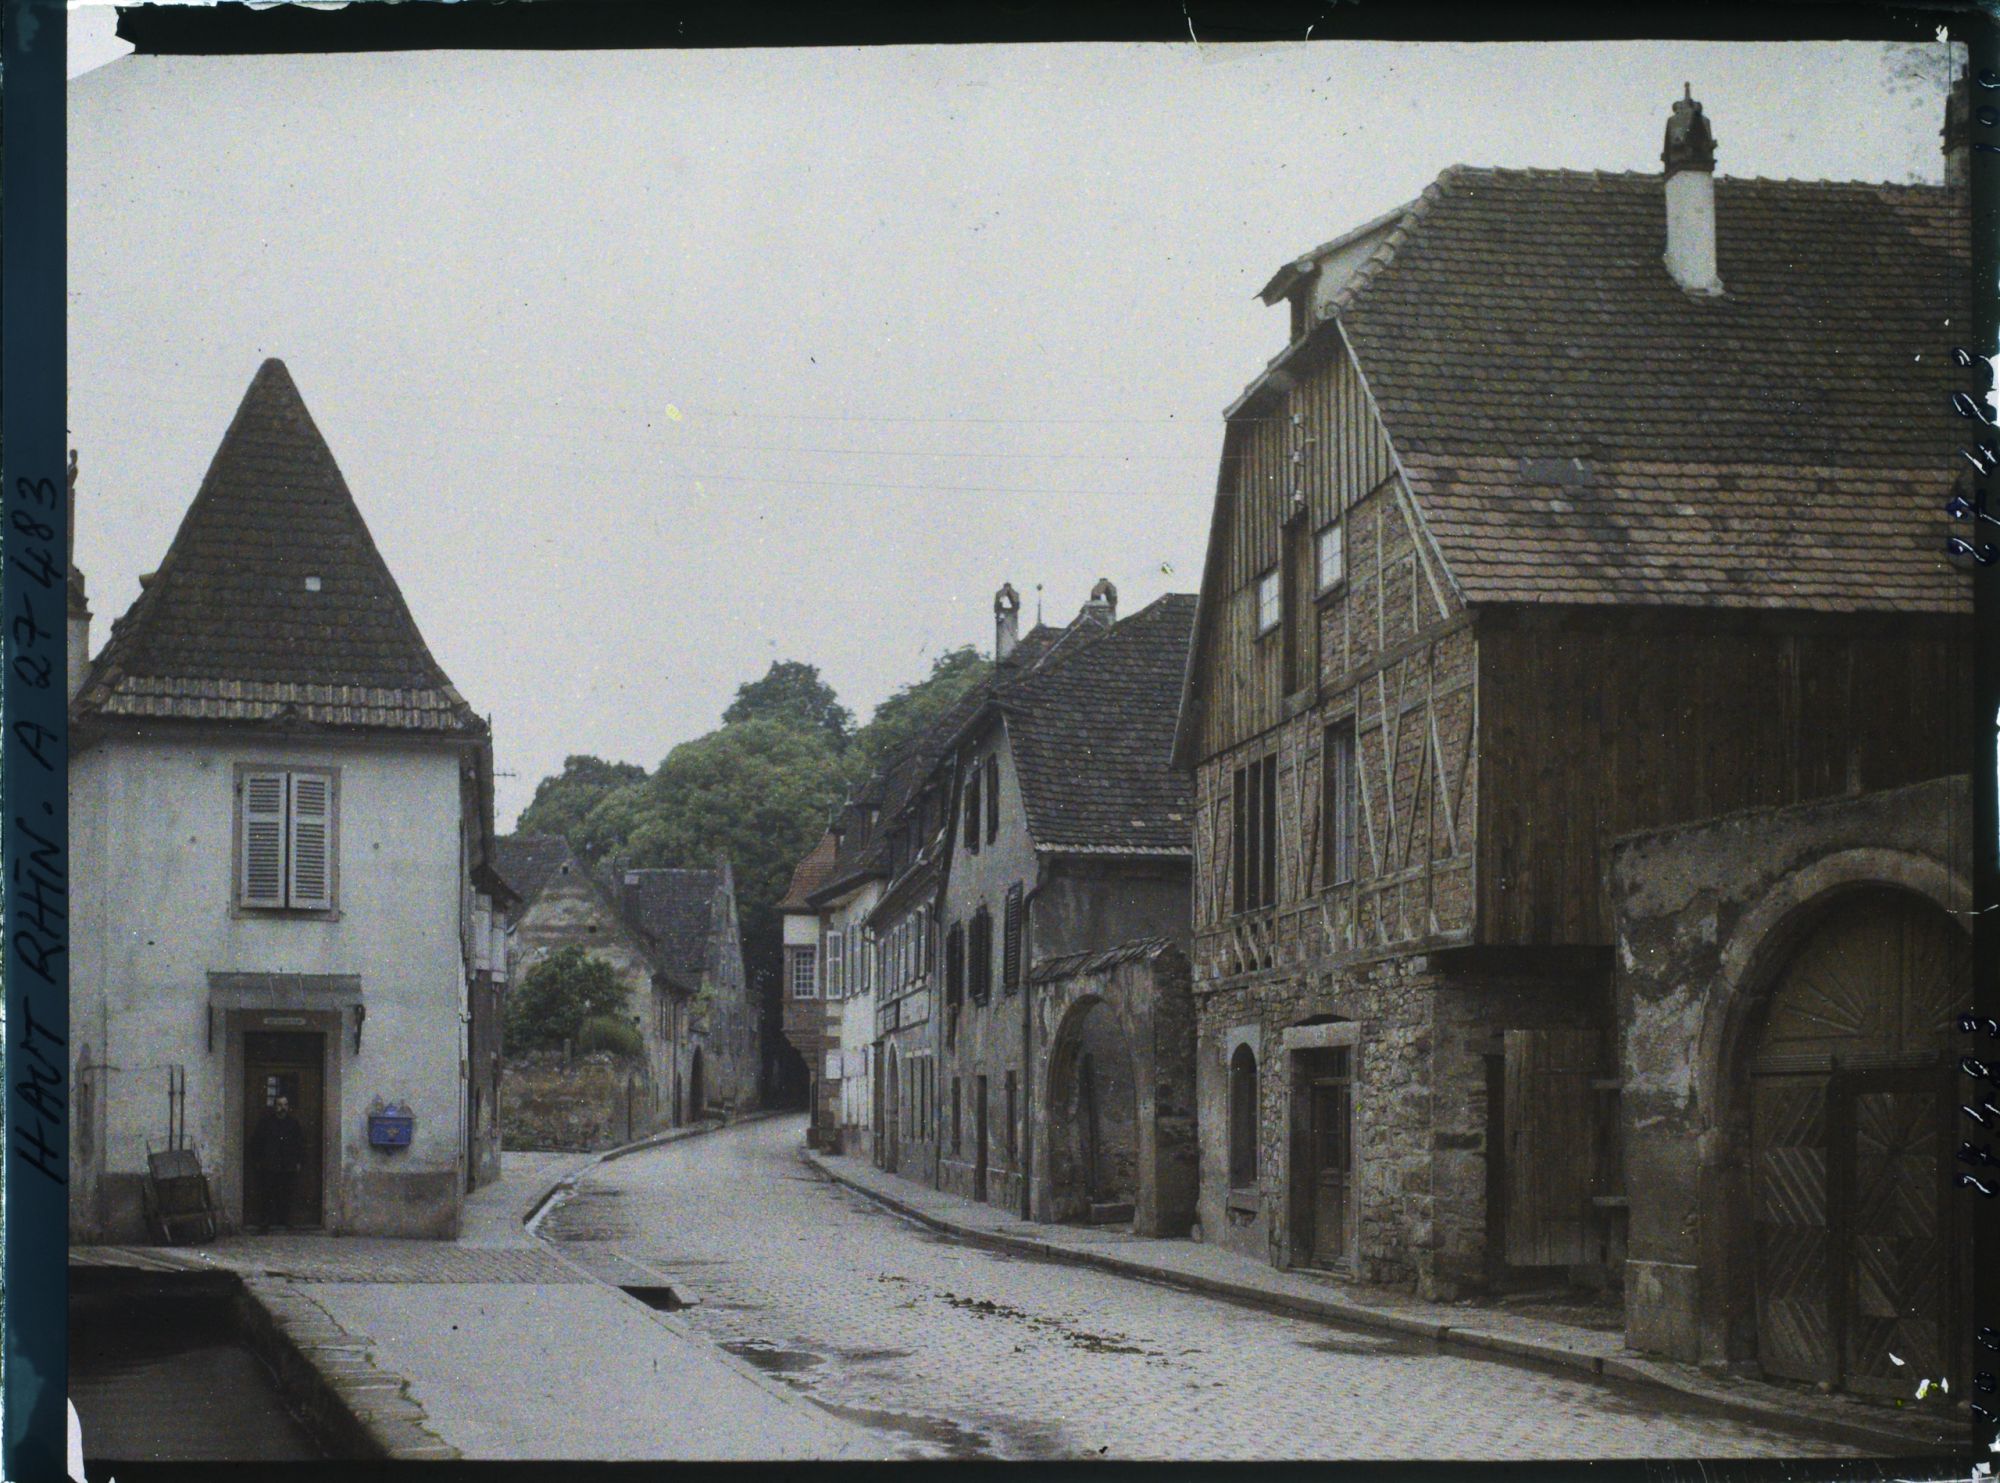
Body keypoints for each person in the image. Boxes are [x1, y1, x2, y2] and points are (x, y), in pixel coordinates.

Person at [248, 1095, 305, 1232]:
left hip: (288, 1165)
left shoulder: (293, 1124)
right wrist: (258, 1160)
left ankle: (287, 1222)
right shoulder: (266, 1123)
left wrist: (298, 1161)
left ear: (288, 1107)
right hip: (270, 1165)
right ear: (275, 1107)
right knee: (267, 1195)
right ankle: (265, 1224)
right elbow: (256, 1143)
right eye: (279, 1105)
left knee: (287, 1195)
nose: (282, 1108)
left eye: (285, 1105)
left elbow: (299, 1144)